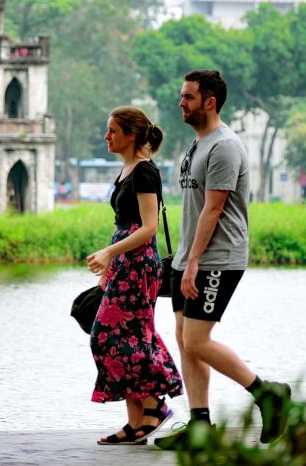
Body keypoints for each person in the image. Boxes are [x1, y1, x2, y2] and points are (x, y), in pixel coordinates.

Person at [155, 70, 290, 450]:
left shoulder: (225, 147)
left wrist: (195, 261)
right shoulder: (197, 145)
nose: (181, 103)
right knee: (185, 340)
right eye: (181, 96)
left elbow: (213, 210)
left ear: (209, 101)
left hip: (218, 257)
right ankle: (200, 427)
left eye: (188, 97)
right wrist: (183, 259)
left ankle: (268, 394)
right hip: (190, 257)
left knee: (197, 341)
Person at [86, 106, 183, 445]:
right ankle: (135, 422)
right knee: (120, 338)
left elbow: (149, 228)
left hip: (139, 266)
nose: (106, 136)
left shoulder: (144, 172)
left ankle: (154, 405)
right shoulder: (126, 169)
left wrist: (110, 253)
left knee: (110, 336)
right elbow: (123, 226)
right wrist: (110, 266)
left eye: (112, 131)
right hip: (123, 266)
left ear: (130, 134)